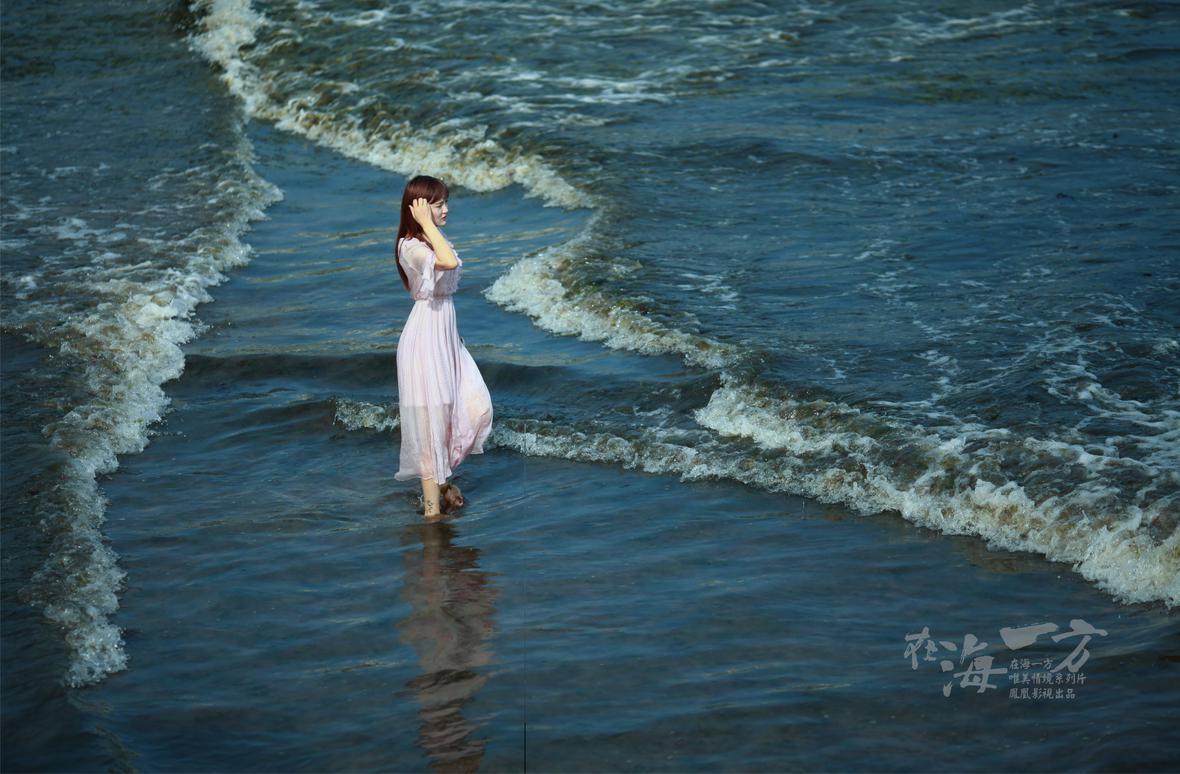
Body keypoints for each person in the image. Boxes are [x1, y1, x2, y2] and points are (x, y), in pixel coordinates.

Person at [393, 175, 493, 519]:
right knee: (429, 426)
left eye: (446, 202)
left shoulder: (432, 238)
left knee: (474, 408)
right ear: (419, 208)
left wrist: (430, 226)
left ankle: (442, 485)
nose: (446, 209)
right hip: (424, 343)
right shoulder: (411, 246)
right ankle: (432, 514)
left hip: (446, 339)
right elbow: (447, 262)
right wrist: (424, 223)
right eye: (438, 204)